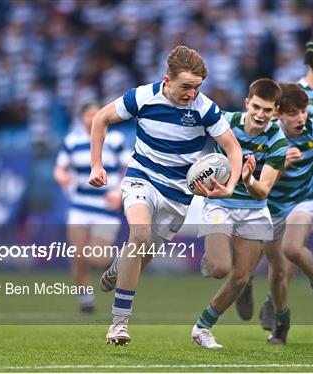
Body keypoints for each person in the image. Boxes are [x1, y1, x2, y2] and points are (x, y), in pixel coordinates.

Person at [89, 46, 242, 346]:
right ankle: (119, 325)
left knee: (140, 255)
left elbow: (233, 149)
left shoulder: (205, 109)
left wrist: (231, 184)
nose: (191, 94)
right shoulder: (142, 97)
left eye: (197, 87)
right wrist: (97, 164)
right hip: (141, 179)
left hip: (178, 196)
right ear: (167, 79)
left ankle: (119, 266)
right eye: (186, 86)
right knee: (140, 233)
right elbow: (100, 119)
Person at [235, 36, 313, 328]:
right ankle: (246, 281)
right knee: (267, 247)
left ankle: (274, 304)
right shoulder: (288, 94)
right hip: (277, 183)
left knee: (293, 248)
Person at [191, 78, 288, 349]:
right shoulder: (225, 122)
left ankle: (202, 328)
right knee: (221, 268)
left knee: (241, 277)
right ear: (247, 103)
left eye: (267, 110)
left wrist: (248, 180)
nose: (260, 114)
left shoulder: (278, 142)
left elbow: (264, 190)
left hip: (254, 209)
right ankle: (212, 259)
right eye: (256, 106)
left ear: (276, 112)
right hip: (220, 203)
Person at [261, 83, 313, 344]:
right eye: (293, 112)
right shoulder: (268, 136)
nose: (301, 117)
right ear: (279, 114)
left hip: (303, 200)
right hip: (272, 206)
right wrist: (280, 164)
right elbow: (262, 180)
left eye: (303, 111)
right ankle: (281, 322)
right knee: (277, 272)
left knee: (292, 249)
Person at [54, 101, 126, 314]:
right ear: (82, 118)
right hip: (80, 206)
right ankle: (86, 298)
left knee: (96, 256)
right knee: (77, 254)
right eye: (89, 115)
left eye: (97, 114)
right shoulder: (72, 141)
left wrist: (119, 193)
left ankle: (116, 266)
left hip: (106, 206)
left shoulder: (115, 140)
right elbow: (59, 168)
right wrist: (63, 178)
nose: (93, 119)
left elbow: (128, 168)